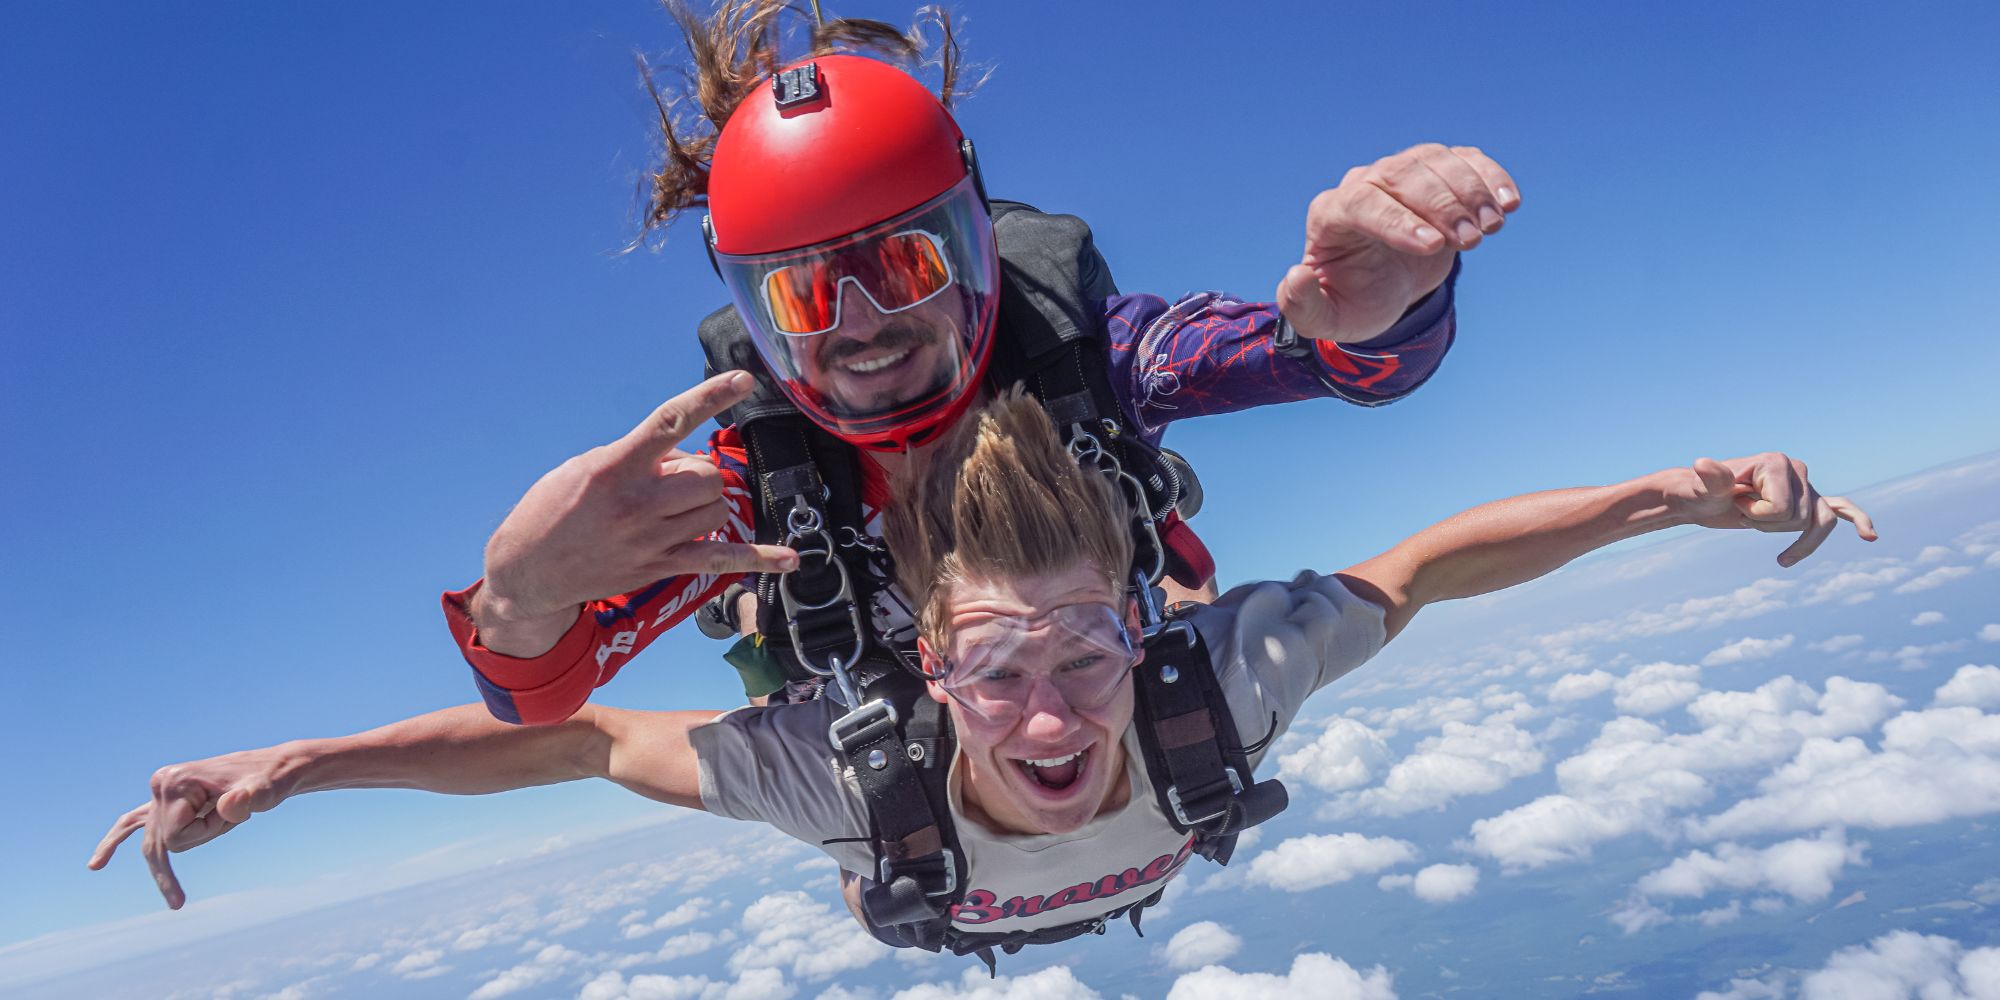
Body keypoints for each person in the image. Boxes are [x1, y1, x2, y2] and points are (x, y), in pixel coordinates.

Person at [95, 391, 1873, 961]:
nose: (1052, 708)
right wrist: (302, 765)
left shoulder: (1214, 682)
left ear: (1141, 625)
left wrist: (1660, 498)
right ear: (927, 666)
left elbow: (1430, 567)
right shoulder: (839, 764)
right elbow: (568, 749)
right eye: (999, 661)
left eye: (1089, 648)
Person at [448, 0, 1523, 723]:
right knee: (767, 615)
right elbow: (537, 695)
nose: (860, 323)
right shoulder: (749, 474)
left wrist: (1381, 315)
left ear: (971, 249)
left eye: (906, 262)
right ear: (755, 314)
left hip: (1044, 674)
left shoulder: (1090, 356)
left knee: (1172, 624)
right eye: (804, 292)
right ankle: (745, 619)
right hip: (893, 677)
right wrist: (519, 593)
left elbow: (1319, 363)